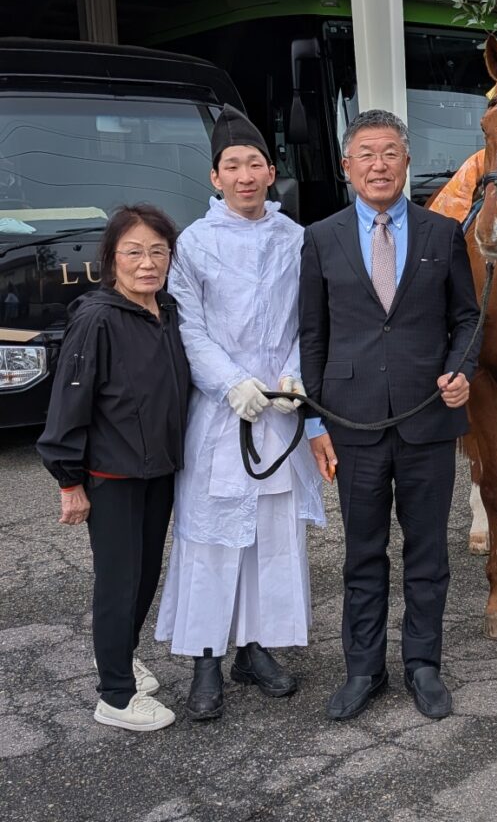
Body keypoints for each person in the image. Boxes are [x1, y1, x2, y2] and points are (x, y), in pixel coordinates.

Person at [299, 108, 480, 721]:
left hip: (429, 417)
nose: (379, 165)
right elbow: (312, 336)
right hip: (352, 423)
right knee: (362, 552)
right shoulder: (320, 237)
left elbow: (466, 320)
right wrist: (314, 422)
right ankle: (363, 669)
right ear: (347, 167)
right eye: (366, 155)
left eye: (390, 153)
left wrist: (462, 371)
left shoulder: (441, 233)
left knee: (428, 550)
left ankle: (423, 665)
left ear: (407, 160)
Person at [155, 105, 325, 721]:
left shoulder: (295, 239)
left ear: (271, 171)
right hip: (220, 415)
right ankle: (206, 660)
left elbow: (309, 321)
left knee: (272, 540)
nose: (246, 175)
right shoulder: (192, 245)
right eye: (233, 165)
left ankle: (255, 649)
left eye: (255, 163)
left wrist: (294, 377)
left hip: (278, 413)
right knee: (211, 539)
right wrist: (230, 384)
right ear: (215, 177)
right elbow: (190, 328)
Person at [37, 204, 189, 731]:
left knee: (144, 575)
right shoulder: (97, 318)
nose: (146, 263)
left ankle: (119, 657)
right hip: (114, 474)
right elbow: (68, 404)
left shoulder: (165, 311)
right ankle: (116, 696)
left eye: (157, 251)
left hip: (158, 470)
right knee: (118, 581)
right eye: (133, 252)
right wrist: (70, 482)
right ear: (111, 259)